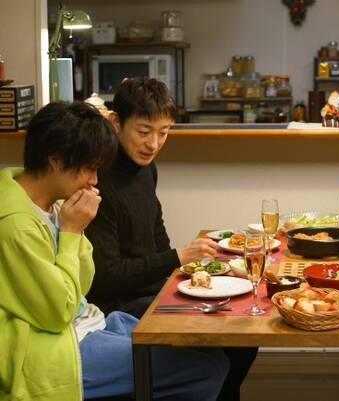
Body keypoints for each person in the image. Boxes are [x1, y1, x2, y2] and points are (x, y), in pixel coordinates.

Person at [0, 102, 229, 401]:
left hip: (87, 322)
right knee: (206, 370)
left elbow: (82, 284)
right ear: (55, 161)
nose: (95, 180)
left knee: (213, 353)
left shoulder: (52, 202)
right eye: (89, 168)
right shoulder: (16, 225)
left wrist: (75, 230)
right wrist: (71, 232)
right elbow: (57, 313)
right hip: (52, 349)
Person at [84, 78, 257, 401]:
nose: (153, 144)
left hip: (152, 291)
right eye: (144, 131)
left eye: (164, 132)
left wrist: (196, 271)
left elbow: (157, 236)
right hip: (119, 306)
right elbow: (105, 278)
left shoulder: (146, 169)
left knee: (243, 331)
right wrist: (177, 258)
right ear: (116, 122)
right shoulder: (98, 181)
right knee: (230, 338)